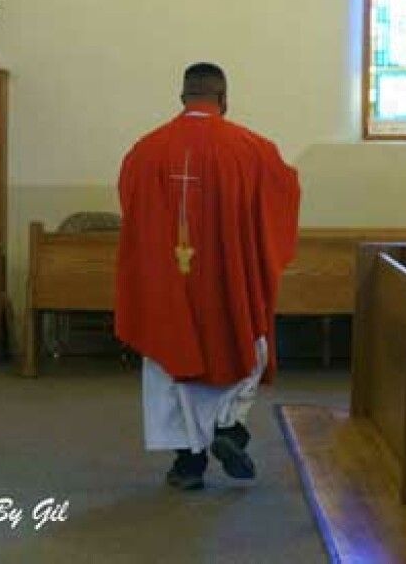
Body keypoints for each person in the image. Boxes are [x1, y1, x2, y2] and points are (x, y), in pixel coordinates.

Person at [115, 63, 300, 491]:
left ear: (182, 98)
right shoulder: (252, 149)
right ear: (224, 99)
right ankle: (228, 428)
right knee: (241, 347)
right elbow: (283, 194)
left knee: (169, 360)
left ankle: (188, 465)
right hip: (226, 283)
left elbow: (132, 211)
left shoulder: (145, 151)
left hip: (169, 286)